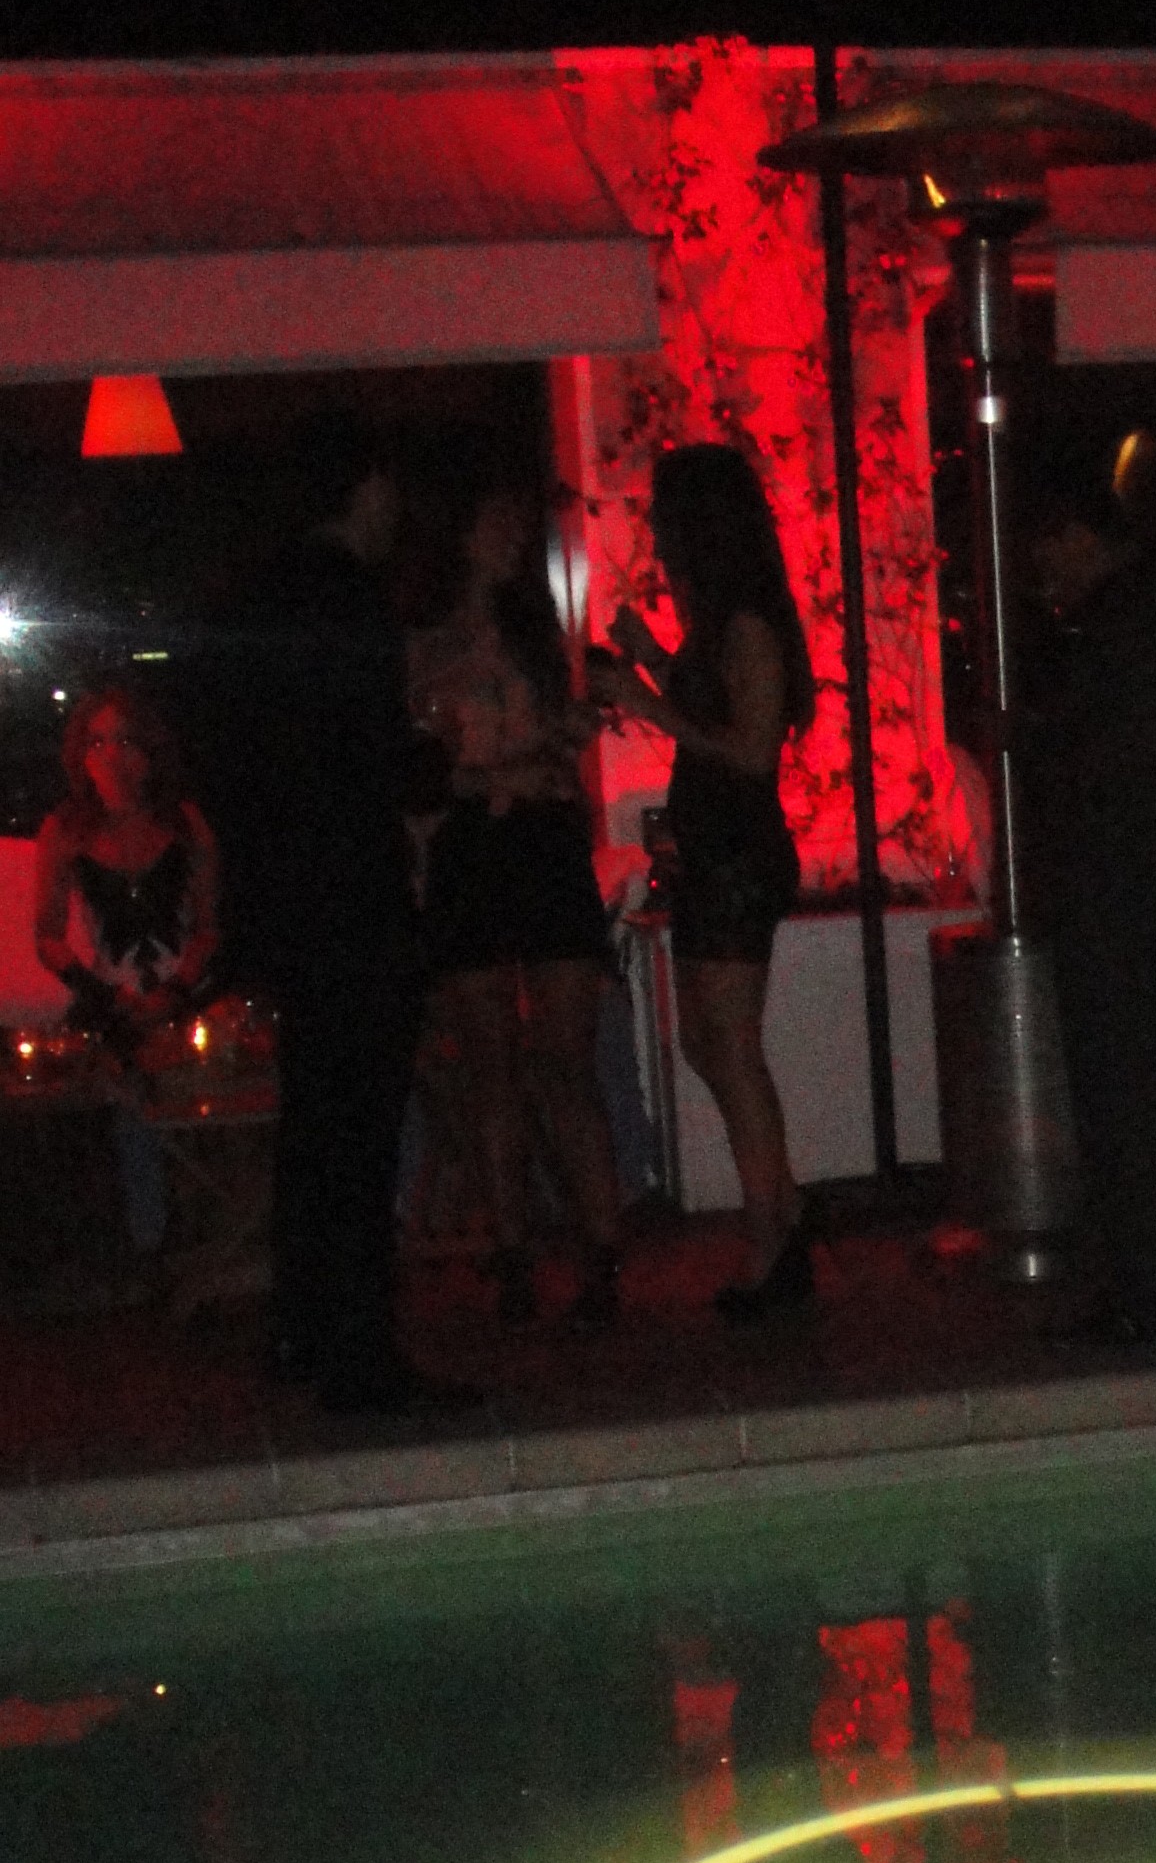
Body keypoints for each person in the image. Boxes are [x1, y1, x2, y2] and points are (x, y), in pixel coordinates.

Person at [218, 416, 460, 1417]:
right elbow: (368, 757)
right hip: (353, 895)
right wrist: (432, 755)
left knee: (314, 1119)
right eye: (388, 488)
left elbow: (248, 756)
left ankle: (303, 1325)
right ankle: (361, 1351)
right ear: (364, 489)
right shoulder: (352, 601)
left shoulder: (259, 597)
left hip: (289, 900)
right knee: (360, 1127)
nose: (396, 507)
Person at [593, 442, 814, 1317]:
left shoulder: (748, 623)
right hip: (717, 849)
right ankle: (783, 1217)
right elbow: (715, 711)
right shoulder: (724, 621)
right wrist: (653, 659)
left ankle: (775, 1239)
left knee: (730, 1047)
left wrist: (650, 701)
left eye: (664, 516)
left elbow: (749, 754)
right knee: (710, 1044)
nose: (656, 533)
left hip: (738, 852)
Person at [1018, 476, 1156, 1342]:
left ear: (1078, 537)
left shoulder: (1116, 629)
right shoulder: (1155, 617)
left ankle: (1149, 1278)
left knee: (1123, 1085)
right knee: (1150, 1077)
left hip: (1113, 883)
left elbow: (1100, 762)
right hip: (1143, 883)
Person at [409, 478, 622, 1326]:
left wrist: (566, 738)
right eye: (493, 518)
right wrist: (496, 774)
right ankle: (512, 1253)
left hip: (542, 839)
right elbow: (420, 771)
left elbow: (560, 744)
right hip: (471, 843)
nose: (509, 533)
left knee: (565, 1058)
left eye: (514, 522)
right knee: (489, 1062)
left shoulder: (542, 633)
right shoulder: (425, 640)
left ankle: (602, 1249)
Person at [30, 677, 220, 1273]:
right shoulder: (65, 831)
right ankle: (149, 1247)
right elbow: (47, 936)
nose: (111, 754)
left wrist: (176, 988)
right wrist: (106, 995)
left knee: (209, 1097)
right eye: (97, 741)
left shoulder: (185, 824)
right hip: (109, 1000)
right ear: (80, 755)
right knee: (127, 1106)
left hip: (185, 993)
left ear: (148, 750)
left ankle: (209, 1238)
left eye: (125, 740)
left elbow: (209, 927)